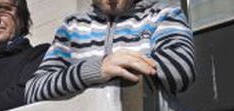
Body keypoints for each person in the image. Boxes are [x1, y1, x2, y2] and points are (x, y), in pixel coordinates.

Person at [25, 0, 195, 104]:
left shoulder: (164, 13)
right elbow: (33, 90)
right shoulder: (72, 26)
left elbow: (180, 70)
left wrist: (112, 70)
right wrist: (96, 70)